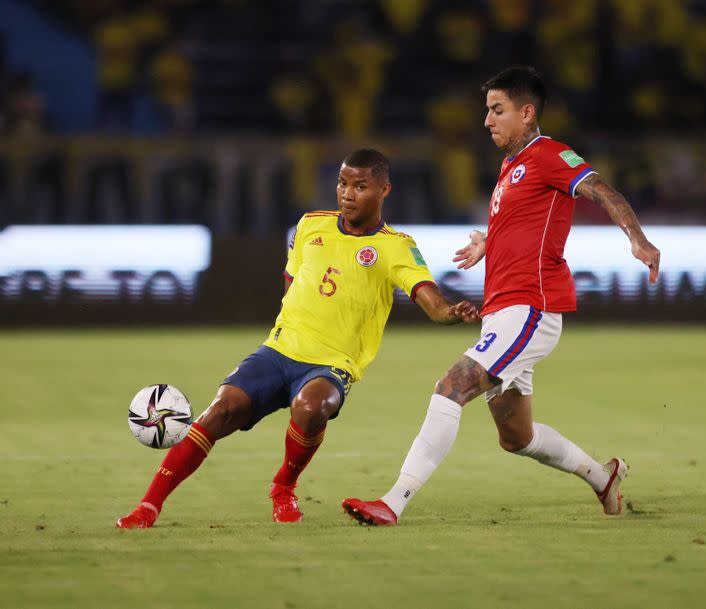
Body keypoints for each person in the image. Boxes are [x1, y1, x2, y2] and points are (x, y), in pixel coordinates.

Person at [342, 66, 661, 525]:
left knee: (452, 387)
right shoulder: (512, 167)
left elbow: (603, 190)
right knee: (516, 436)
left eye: (497, 110)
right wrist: (488, 242)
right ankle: (602, 476)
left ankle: (392, 503)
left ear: (527, 112)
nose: (487, 120)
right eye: (487, 111)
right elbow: (526, 221)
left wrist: (638, 239)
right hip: (503, 311)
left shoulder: (551, 154)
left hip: (531, 306)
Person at [116, 148, 480, 528]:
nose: (348, 194)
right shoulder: (310, 226)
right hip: (279, 350)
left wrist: (452, 313)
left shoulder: (395, 246)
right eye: (342, 184)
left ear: (384, 190)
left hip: (333, 362)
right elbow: (291, 285)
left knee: (310, 406)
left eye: (360, 186)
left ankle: (283, 486)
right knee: (221, 408)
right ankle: (148, 506)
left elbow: (433, 304)